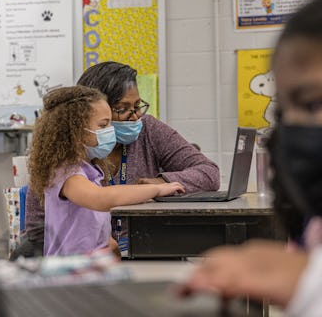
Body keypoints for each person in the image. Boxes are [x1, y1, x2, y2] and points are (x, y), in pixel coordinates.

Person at [177, 0, 322, 316]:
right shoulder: (313, 228)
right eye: (285, 111)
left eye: (313, 104)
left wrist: (305, 280)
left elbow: (205, 171)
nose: (296, 131)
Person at [22, 61, 220, 258]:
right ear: (79, 122)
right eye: (121, 109)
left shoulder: (106, 159)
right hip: (76, 265)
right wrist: (153, 190)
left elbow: (209, 172)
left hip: (141, 250)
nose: (134, 117)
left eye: (137, 106)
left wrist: (162, 181)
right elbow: (98, 199)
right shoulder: (65, 168)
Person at [28, 85, 184, 256]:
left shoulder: (92, 171)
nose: (111, 131)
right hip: (69, 272)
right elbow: (100, 199)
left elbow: (90, 222)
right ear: (74, 132)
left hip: (94, 267)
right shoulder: (65, 173)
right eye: (103, 125)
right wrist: (156, 188)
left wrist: (109, 244)